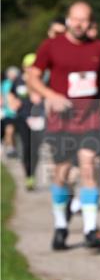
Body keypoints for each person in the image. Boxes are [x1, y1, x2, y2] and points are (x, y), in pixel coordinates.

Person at [27, 2, 100, 250]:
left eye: (84, 20)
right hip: (61, 120)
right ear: (68, 20)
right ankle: (61, 225)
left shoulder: (99, 47)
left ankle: (90, 229)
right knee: (61, 174)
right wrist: (50, 96)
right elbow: (33, 75)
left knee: (89, 167)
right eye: (75, 19)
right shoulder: (52, 45)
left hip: (90, 119)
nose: (79, 24)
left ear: (91, 22)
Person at [8, 53, 46, 190]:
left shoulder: (41, 81)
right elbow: (11, 93)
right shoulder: (18, 80)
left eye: (34, 66)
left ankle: (33, 174)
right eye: (29, 66)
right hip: (22, 118)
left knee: (35, 149)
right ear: (24, 67)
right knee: (26, 147)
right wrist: (13, 102)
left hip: (37, 118)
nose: (31, 69)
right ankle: (28, 176)